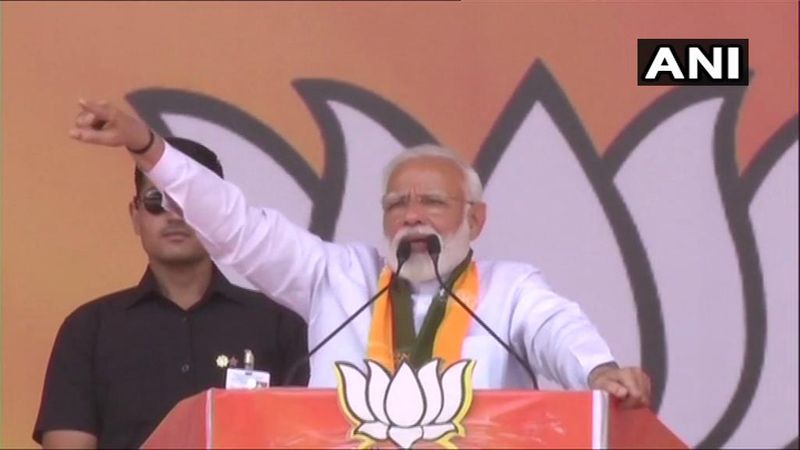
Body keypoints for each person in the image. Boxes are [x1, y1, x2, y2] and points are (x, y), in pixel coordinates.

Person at [69, 99, 651, 409]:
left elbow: (557, 329)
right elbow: (239, 229)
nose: (412, 215)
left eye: (432, 202)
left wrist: (599, 372)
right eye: (397, 203)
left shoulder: (510, 289)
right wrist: (148, 148)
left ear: (475, 219)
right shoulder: (338, 278)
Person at [33, 136, 309, 449]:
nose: (175, 215)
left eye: (191, 202)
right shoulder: (89, 329)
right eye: (157, 201)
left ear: (220, 216)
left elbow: (312, 438)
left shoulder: (278, 325)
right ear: (135, 215)